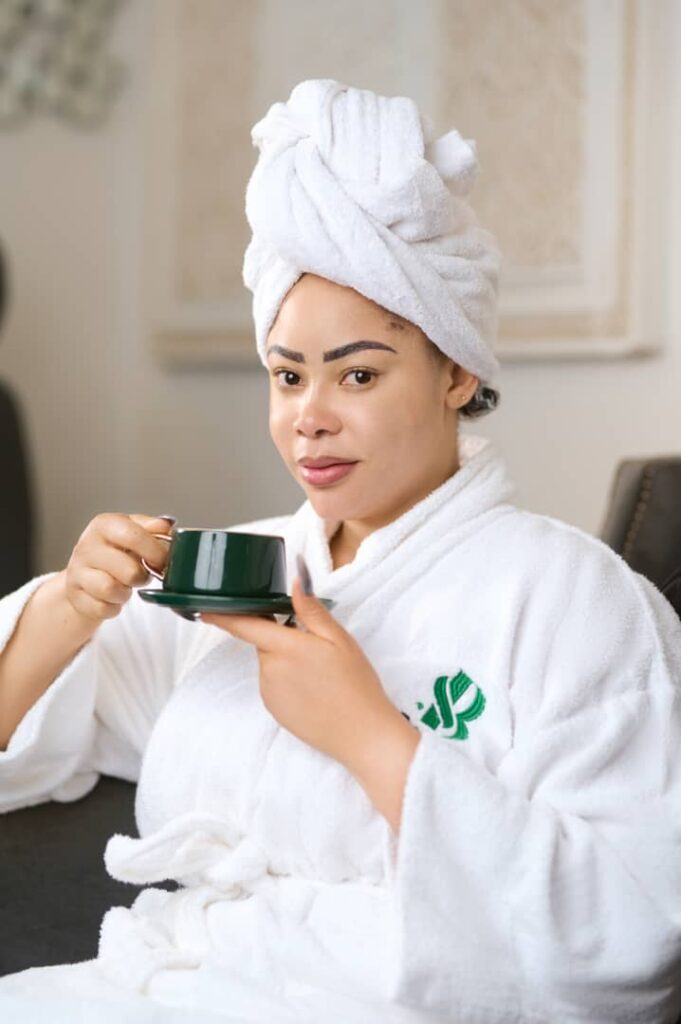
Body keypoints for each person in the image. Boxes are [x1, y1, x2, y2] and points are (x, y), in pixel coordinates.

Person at [0, 79, 680, 1024]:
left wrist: (368, 734)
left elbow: (631, 940)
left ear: (456, 371)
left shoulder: (571, 597)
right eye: (287, 377)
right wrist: (65, 613)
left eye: (357, 374)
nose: (309, 418)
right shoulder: (238, 578)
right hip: (165, 984)